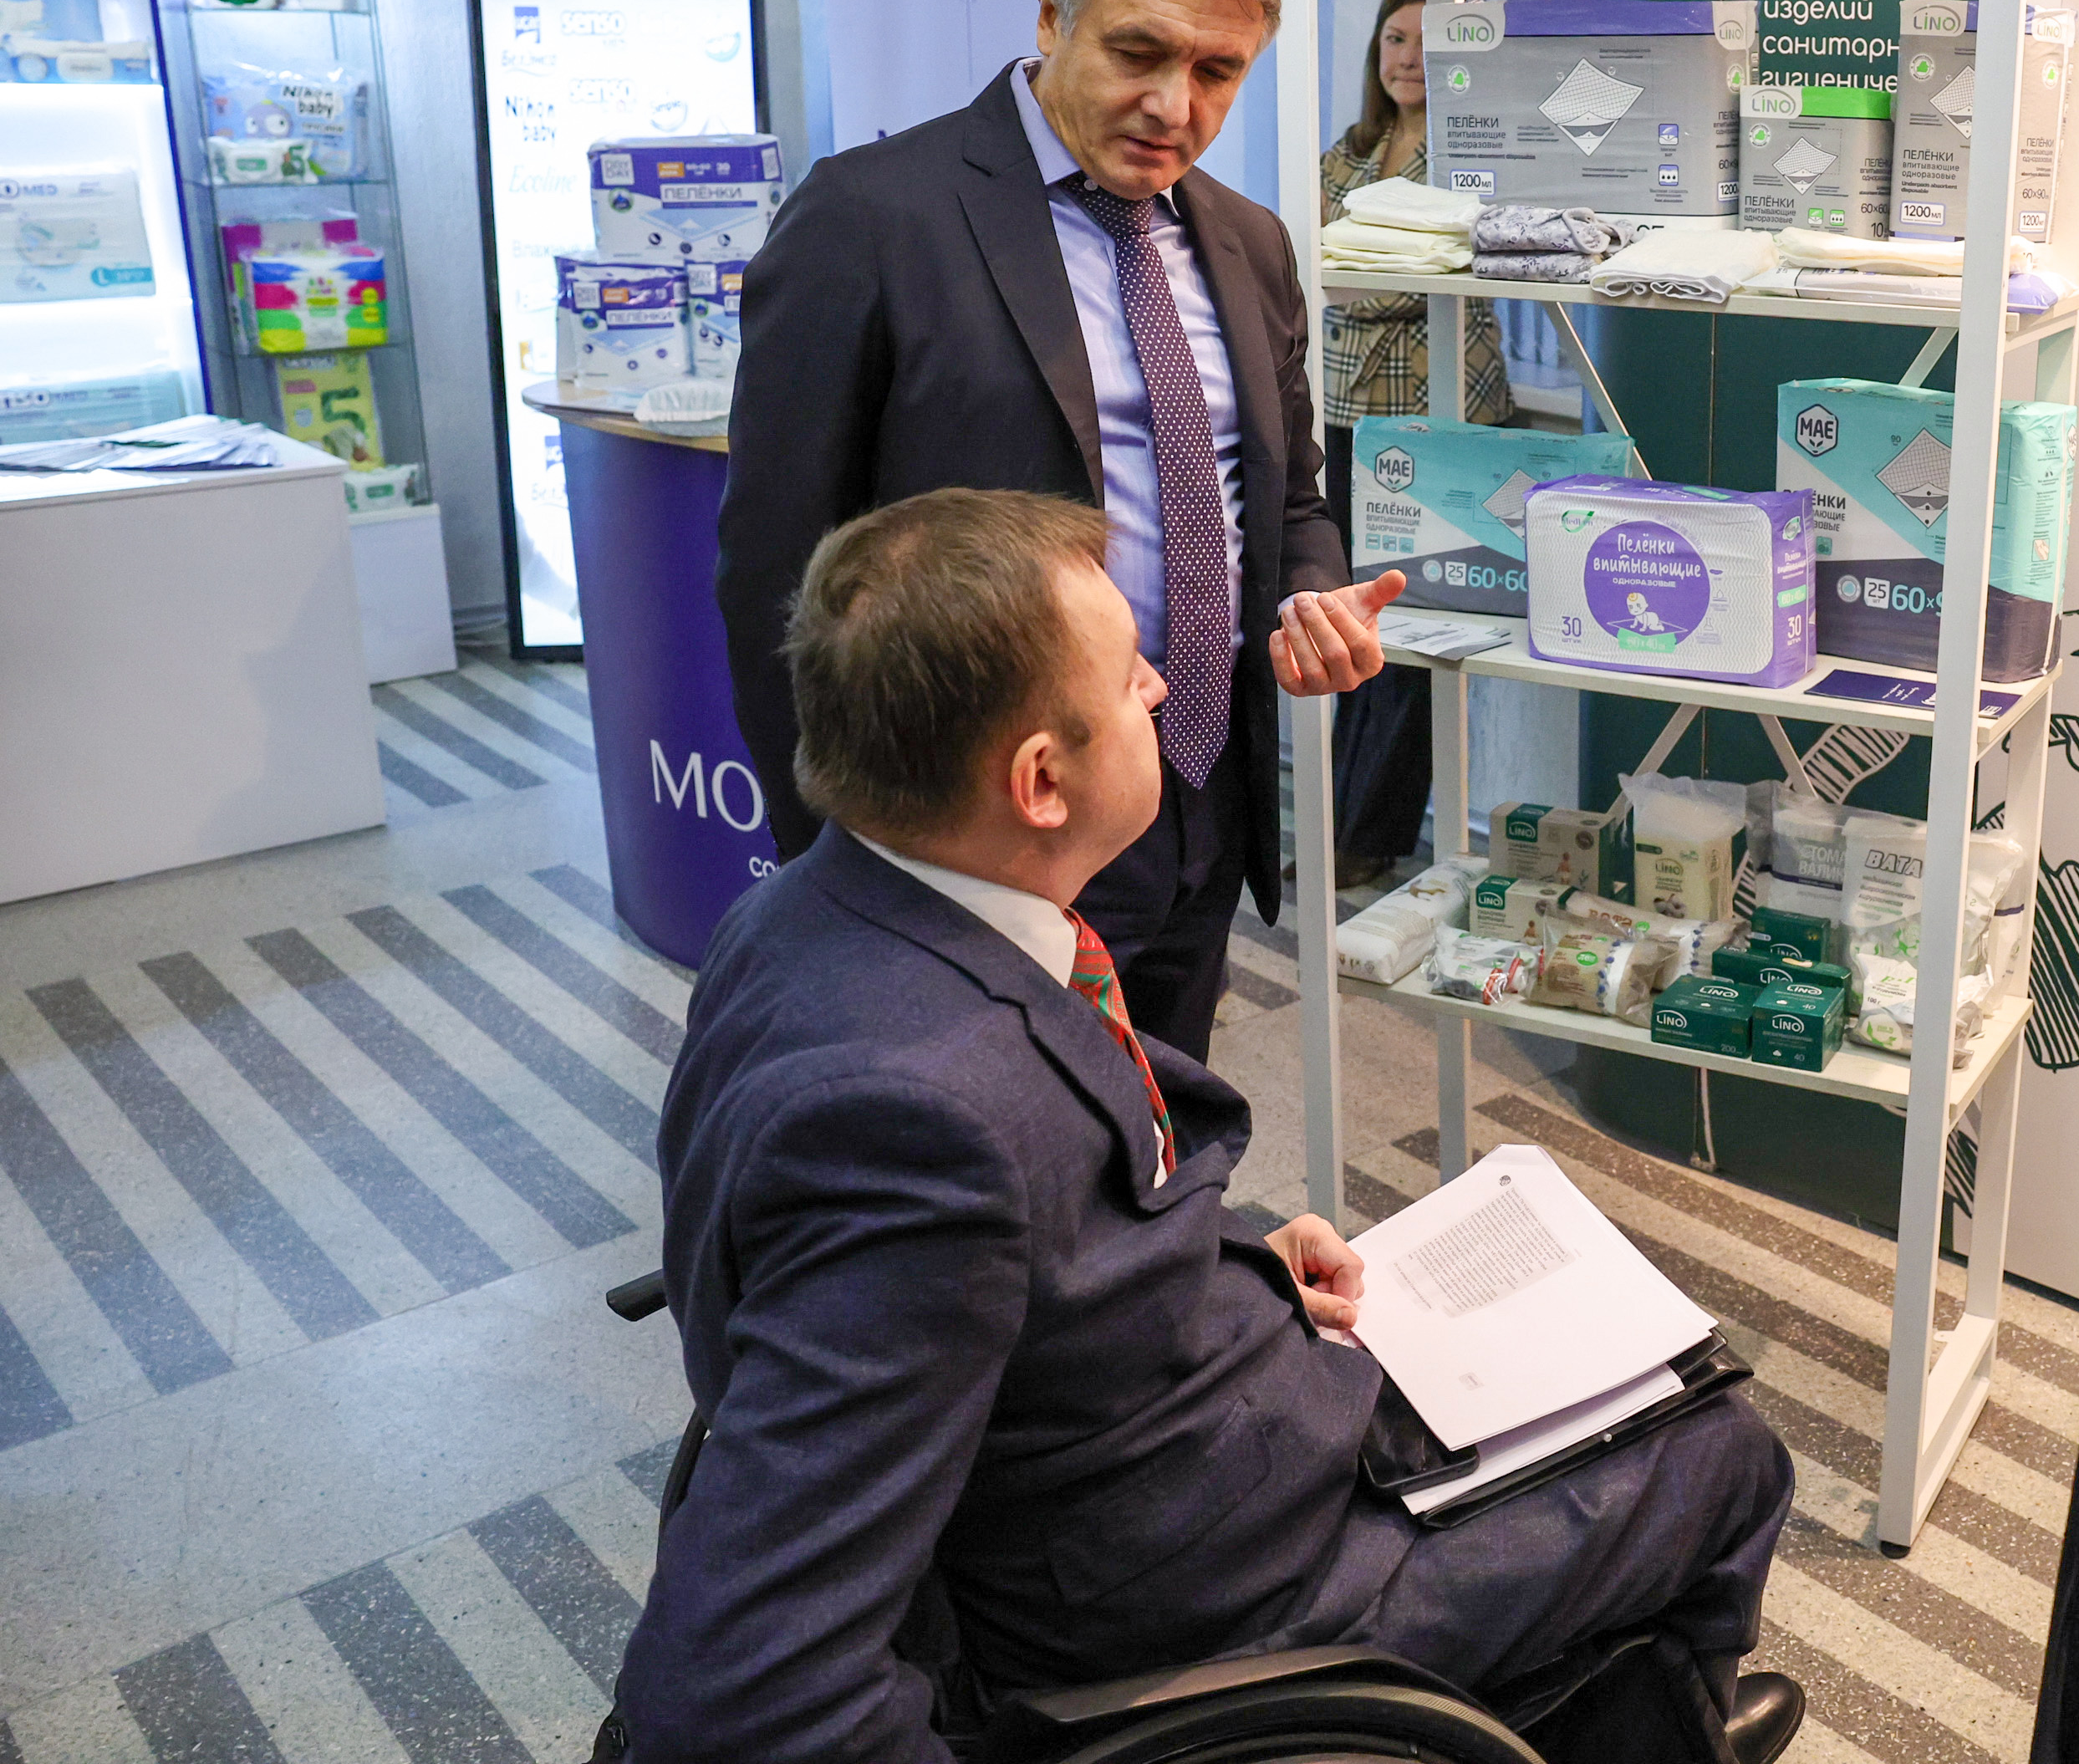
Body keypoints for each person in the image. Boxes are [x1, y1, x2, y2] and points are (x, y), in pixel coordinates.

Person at [620, 487, 1802, 1764]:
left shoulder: (814, 913)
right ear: (1040, 779)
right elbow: (747, 1689)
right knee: (1724, 1448)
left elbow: (1035, 1244)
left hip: (1159, 1436)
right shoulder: (918, 1126)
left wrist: (1231, 1259)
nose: (1157, 687)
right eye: (1130, 672)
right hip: (1205, 1589)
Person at [719, 0, 1392, 1064]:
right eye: (1139, 52)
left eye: (1218, 71)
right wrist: (830, 865)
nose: (1175, 106)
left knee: (1163, 1128)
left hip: (1197, 800)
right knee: (979, 1138)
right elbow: (774, 566)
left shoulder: (1250, 242)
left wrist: (1311, 593)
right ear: (1049, 13)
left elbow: (1288, 496)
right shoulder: (870, 219)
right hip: (972, 827)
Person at [1319, 0, 1514, 885]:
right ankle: (1337, 825)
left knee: (1416, 637)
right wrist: (1371, 277)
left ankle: (1370, 835)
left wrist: (1365, 275)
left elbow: (1424, 277)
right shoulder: (1348, 152)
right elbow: (1318, 270)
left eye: (1429, 42)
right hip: (1347, 419)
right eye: (1394, 39)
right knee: (1346, 621)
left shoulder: (1476, 156)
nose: (1408, 57)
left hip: (1443, 420)